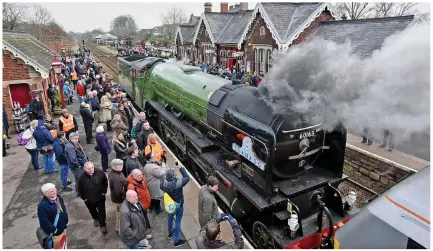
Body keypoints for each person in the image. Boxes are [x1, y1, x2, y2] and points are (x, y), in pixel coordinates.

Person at [160, 164, 190, 248]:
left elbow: (162, 178)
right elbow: (187, 178)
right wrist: (181, 168)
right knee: (178, 221)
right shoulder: (178, 183)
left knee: (170, 217)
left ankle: (170, 233)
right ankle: (176, 241)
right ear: (174, 177)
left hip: (170, 203)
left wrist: (164, 170)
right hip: (178, 204)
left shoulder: (163, 183)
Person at [77, 161, 109, 234]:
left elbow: (105, 182)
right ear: (84, 169)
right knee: (92, 210)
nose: (91, 170)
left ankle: (103, 225)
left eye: (92, 167)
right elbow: (80, 188)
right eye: (89, 169)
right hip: (88, 198)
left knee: (102, 211)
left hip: (100, 196)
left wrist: (104, 191)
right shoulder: (81, 177)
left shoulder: (100, 172)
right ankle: (95, 218)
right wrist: (83, 198)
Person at [37, 183, 68, 249]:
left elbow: (63, 208)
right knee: (58, 247)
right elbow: (44, 222)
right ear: (45, 194)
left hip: (63, 228)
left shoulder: (58, 197)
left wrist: (65, 219)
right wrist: (55, 230)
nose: (54, 192)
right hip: (56, 234)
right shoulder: (42, 206)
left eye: (54, 189)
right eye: (51, 191)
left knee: (63, 245)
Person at [108, 159, 127, 235]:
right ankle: (119, 229)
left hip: (116, 198)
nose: (122, 166)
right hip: (119, 200)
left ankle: (118, 228)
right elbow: (119, 192)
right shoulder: (117, 177)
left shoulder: (113, 172)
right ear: (115, 167)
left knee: (119, 213)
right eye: (121, 165)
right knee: (120, 214)